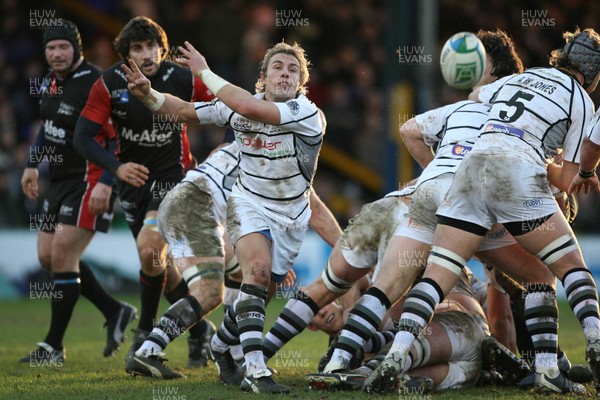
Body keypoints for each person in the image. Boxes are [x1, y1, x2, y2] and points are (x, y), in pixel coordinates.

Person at [366, 28, 600, 395]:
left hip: (471, 170)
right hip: (517, 171)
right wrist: (581, 174)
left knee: (437, 276)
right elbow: (570, 177)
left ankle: (395, 356)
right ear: (594, 75)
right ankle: (579, 352)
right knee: (562, 268)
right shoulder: (581, 101)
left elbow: (478, 95)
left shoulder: (523, 76)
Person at [122, 39, 329, 393]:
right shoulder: (238, 108)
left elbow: (248, 106)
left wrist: (203, 71)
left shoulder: (306, 113)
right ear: (263, 77)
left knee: (259, 293)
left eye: (293, 70)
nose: (285, 73)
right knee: (255, 273)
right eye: (278, 67)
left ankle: (220, 347)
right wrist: (149, 97)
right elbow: (187, 111)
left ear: (300, 83)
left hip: (290, 218)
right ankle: (256, 371)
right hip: (245, 204)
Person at [72, 16, 216, 370]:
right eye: (137, 47)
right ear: (125, 54)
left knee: (150, 249)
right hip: (133, 183)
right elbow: (82, 137)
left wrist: (220, 151)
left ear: (162, 50)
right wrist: (116, 167)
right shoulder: (108, 84)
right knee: (157, 264)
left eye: (152, 46)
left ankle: (145, 336)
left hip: (175, 177)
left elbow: (225, 108)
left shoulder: (181, 78)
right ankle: (201, 332)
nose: (146, 54)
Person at [19, 20, 137, 364]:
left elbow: (118, 137)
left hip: (91, 180)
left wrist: (107, 182)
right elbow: (48, 128)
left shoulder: (97, 83)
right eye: (50, 48)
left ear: (77, 49)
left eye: (63, 47)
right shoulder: (49, 83)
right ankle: (115, 310)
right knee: (48, 257)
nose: (56, 54)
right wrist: (31, 163)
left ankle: (53, 346)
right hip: (58, 182)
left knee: (63, 257)